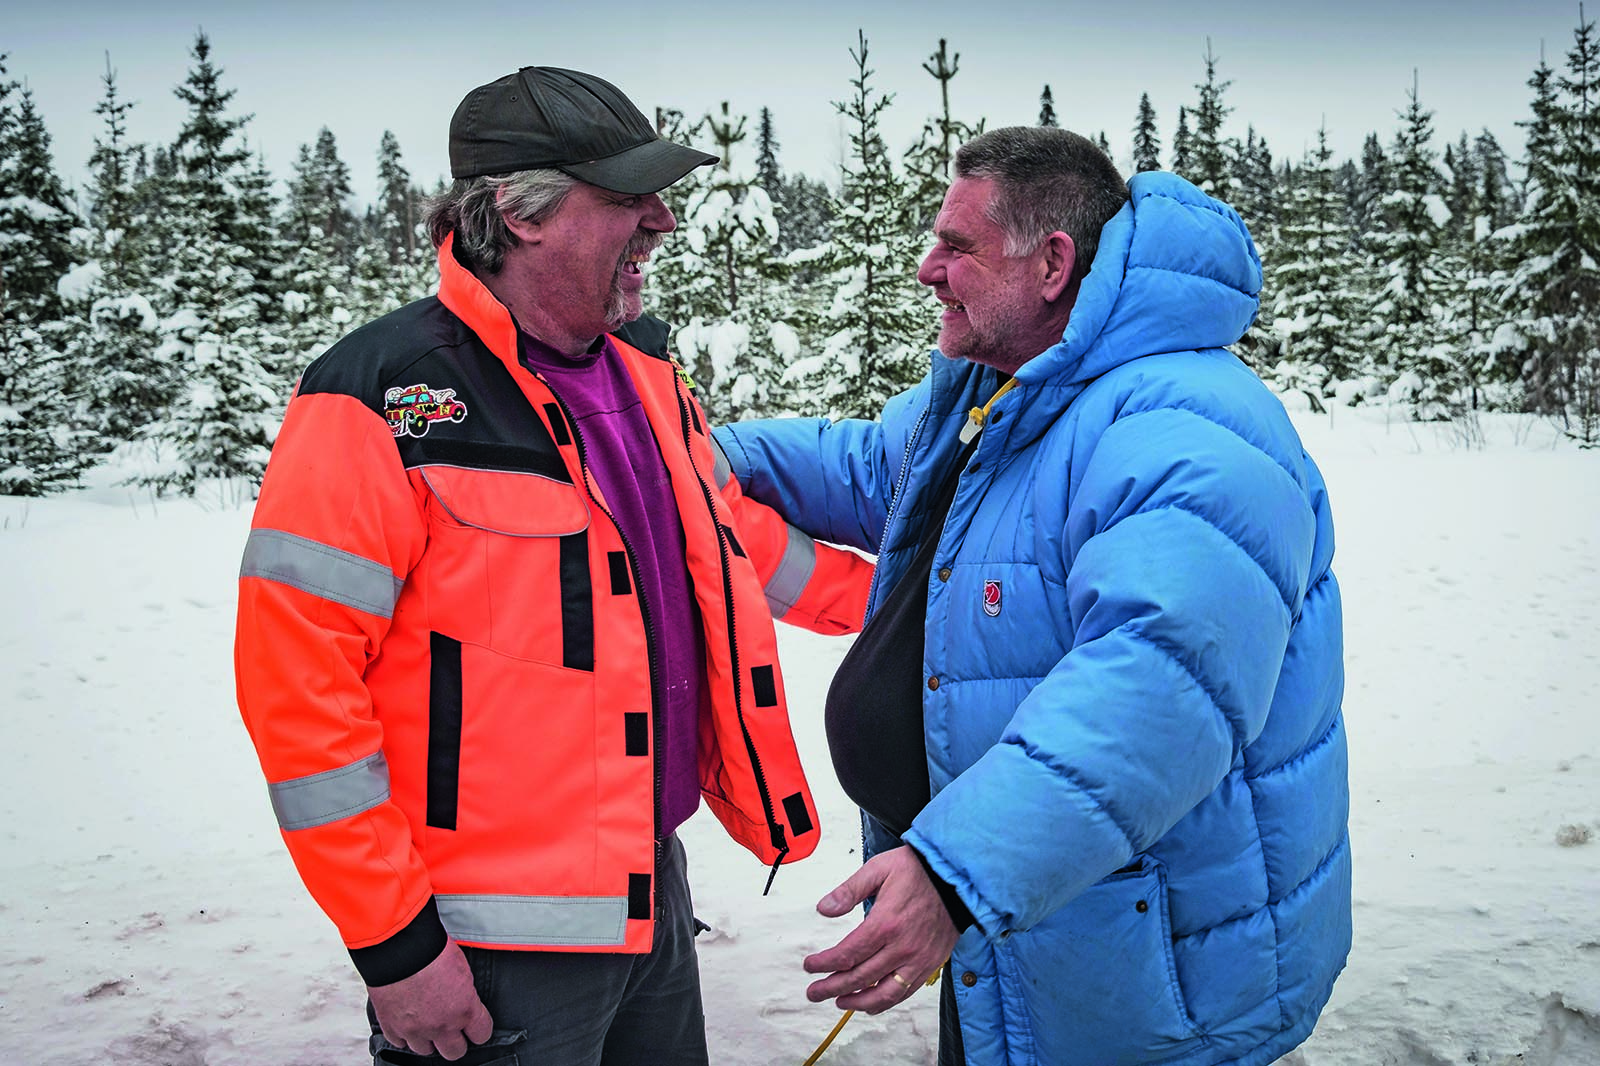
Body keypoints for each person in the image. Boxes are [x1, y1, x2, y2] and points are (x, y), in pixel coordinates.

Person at [233, 66, 871, 1065]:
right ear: (522, 216)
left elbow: (733, 544)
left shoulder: (644, 377)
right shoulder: (381, 396)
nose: (661, 221)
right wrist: (395, 947)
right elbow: (298, 693)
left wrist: (906, 609)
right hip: (486, 947)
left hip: (645, 893)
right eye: (626, 198)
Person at [713, 126, 1350, 1066]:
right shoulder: (1006, 395)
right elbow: (861, 466)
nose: (927, 269)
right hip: (1029, 926)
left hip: (1151, 980)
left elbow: (1157, 687)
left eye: (957, 246)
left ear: (1052, 263)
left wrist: (954, 875)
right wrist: (687, 449)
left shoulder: (1184, 429)